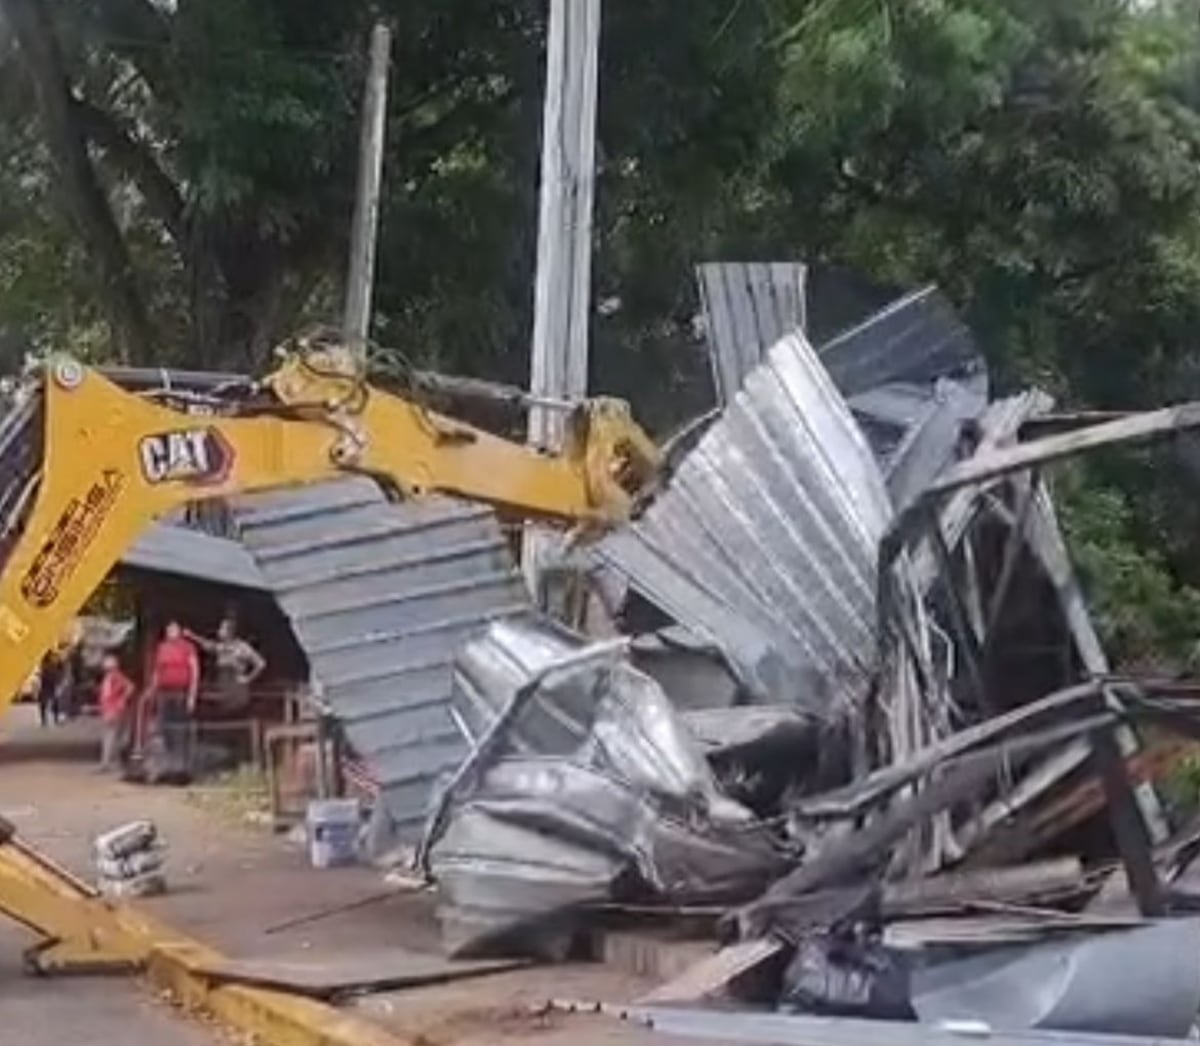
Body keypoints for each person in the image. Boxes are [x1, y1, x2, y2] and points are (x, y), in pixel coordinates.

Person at [147, 621, 200, 781]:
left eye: (174, 629)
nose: (171, 632)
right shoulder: (162, 648)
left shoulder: (188, 647)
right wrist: (152, 690)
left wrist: (192, 695)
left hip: (181, 691)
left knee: (180, 728)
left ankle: (181, 764)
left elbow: (195, 671)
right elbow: (157, 671)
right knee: (163, 727)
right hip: (164, 692)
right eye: (169, 629)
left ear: (179, 631)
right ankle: (165, 764)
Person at [186, 619, 266, 711]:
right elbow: (207, 644)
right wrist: (191, 636)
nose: (219, 631)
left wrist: (248, 678)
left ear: (229, 632)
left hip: (236, 687)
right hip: (222, 686)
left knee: (235, 710)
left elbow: (261, 663)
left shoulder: (242, 647)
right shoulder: (221, 646)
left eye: (222, 629)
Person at [97, 653, 134, 773]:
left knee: (110, 736)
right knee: (113, 737)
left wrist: (121, 700)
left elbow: (130, 687)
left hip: (114, 710)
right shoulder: (109, 677)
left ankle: (107, 763)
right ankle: (110, 762)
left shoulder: (115, 676)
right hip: (110, 709)